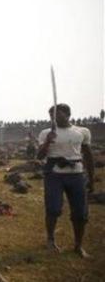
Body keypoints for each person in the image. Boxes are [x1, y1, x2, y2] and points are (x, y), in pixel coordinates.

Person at [37, 103, 94, 258]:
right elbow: (40, 156)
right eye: (51, 116)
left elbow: (88, 155)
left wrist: (92, 178)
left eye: (58, 115)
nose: (54, 118)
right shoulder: (46, 133)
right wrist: (48, 141)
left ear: (68, 115)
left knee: (80, 213)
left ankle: (78, 245)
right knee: (53, 209)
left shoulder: (81, 132)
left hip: (76, 174)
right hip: (54, 174)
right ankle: (50, 239)